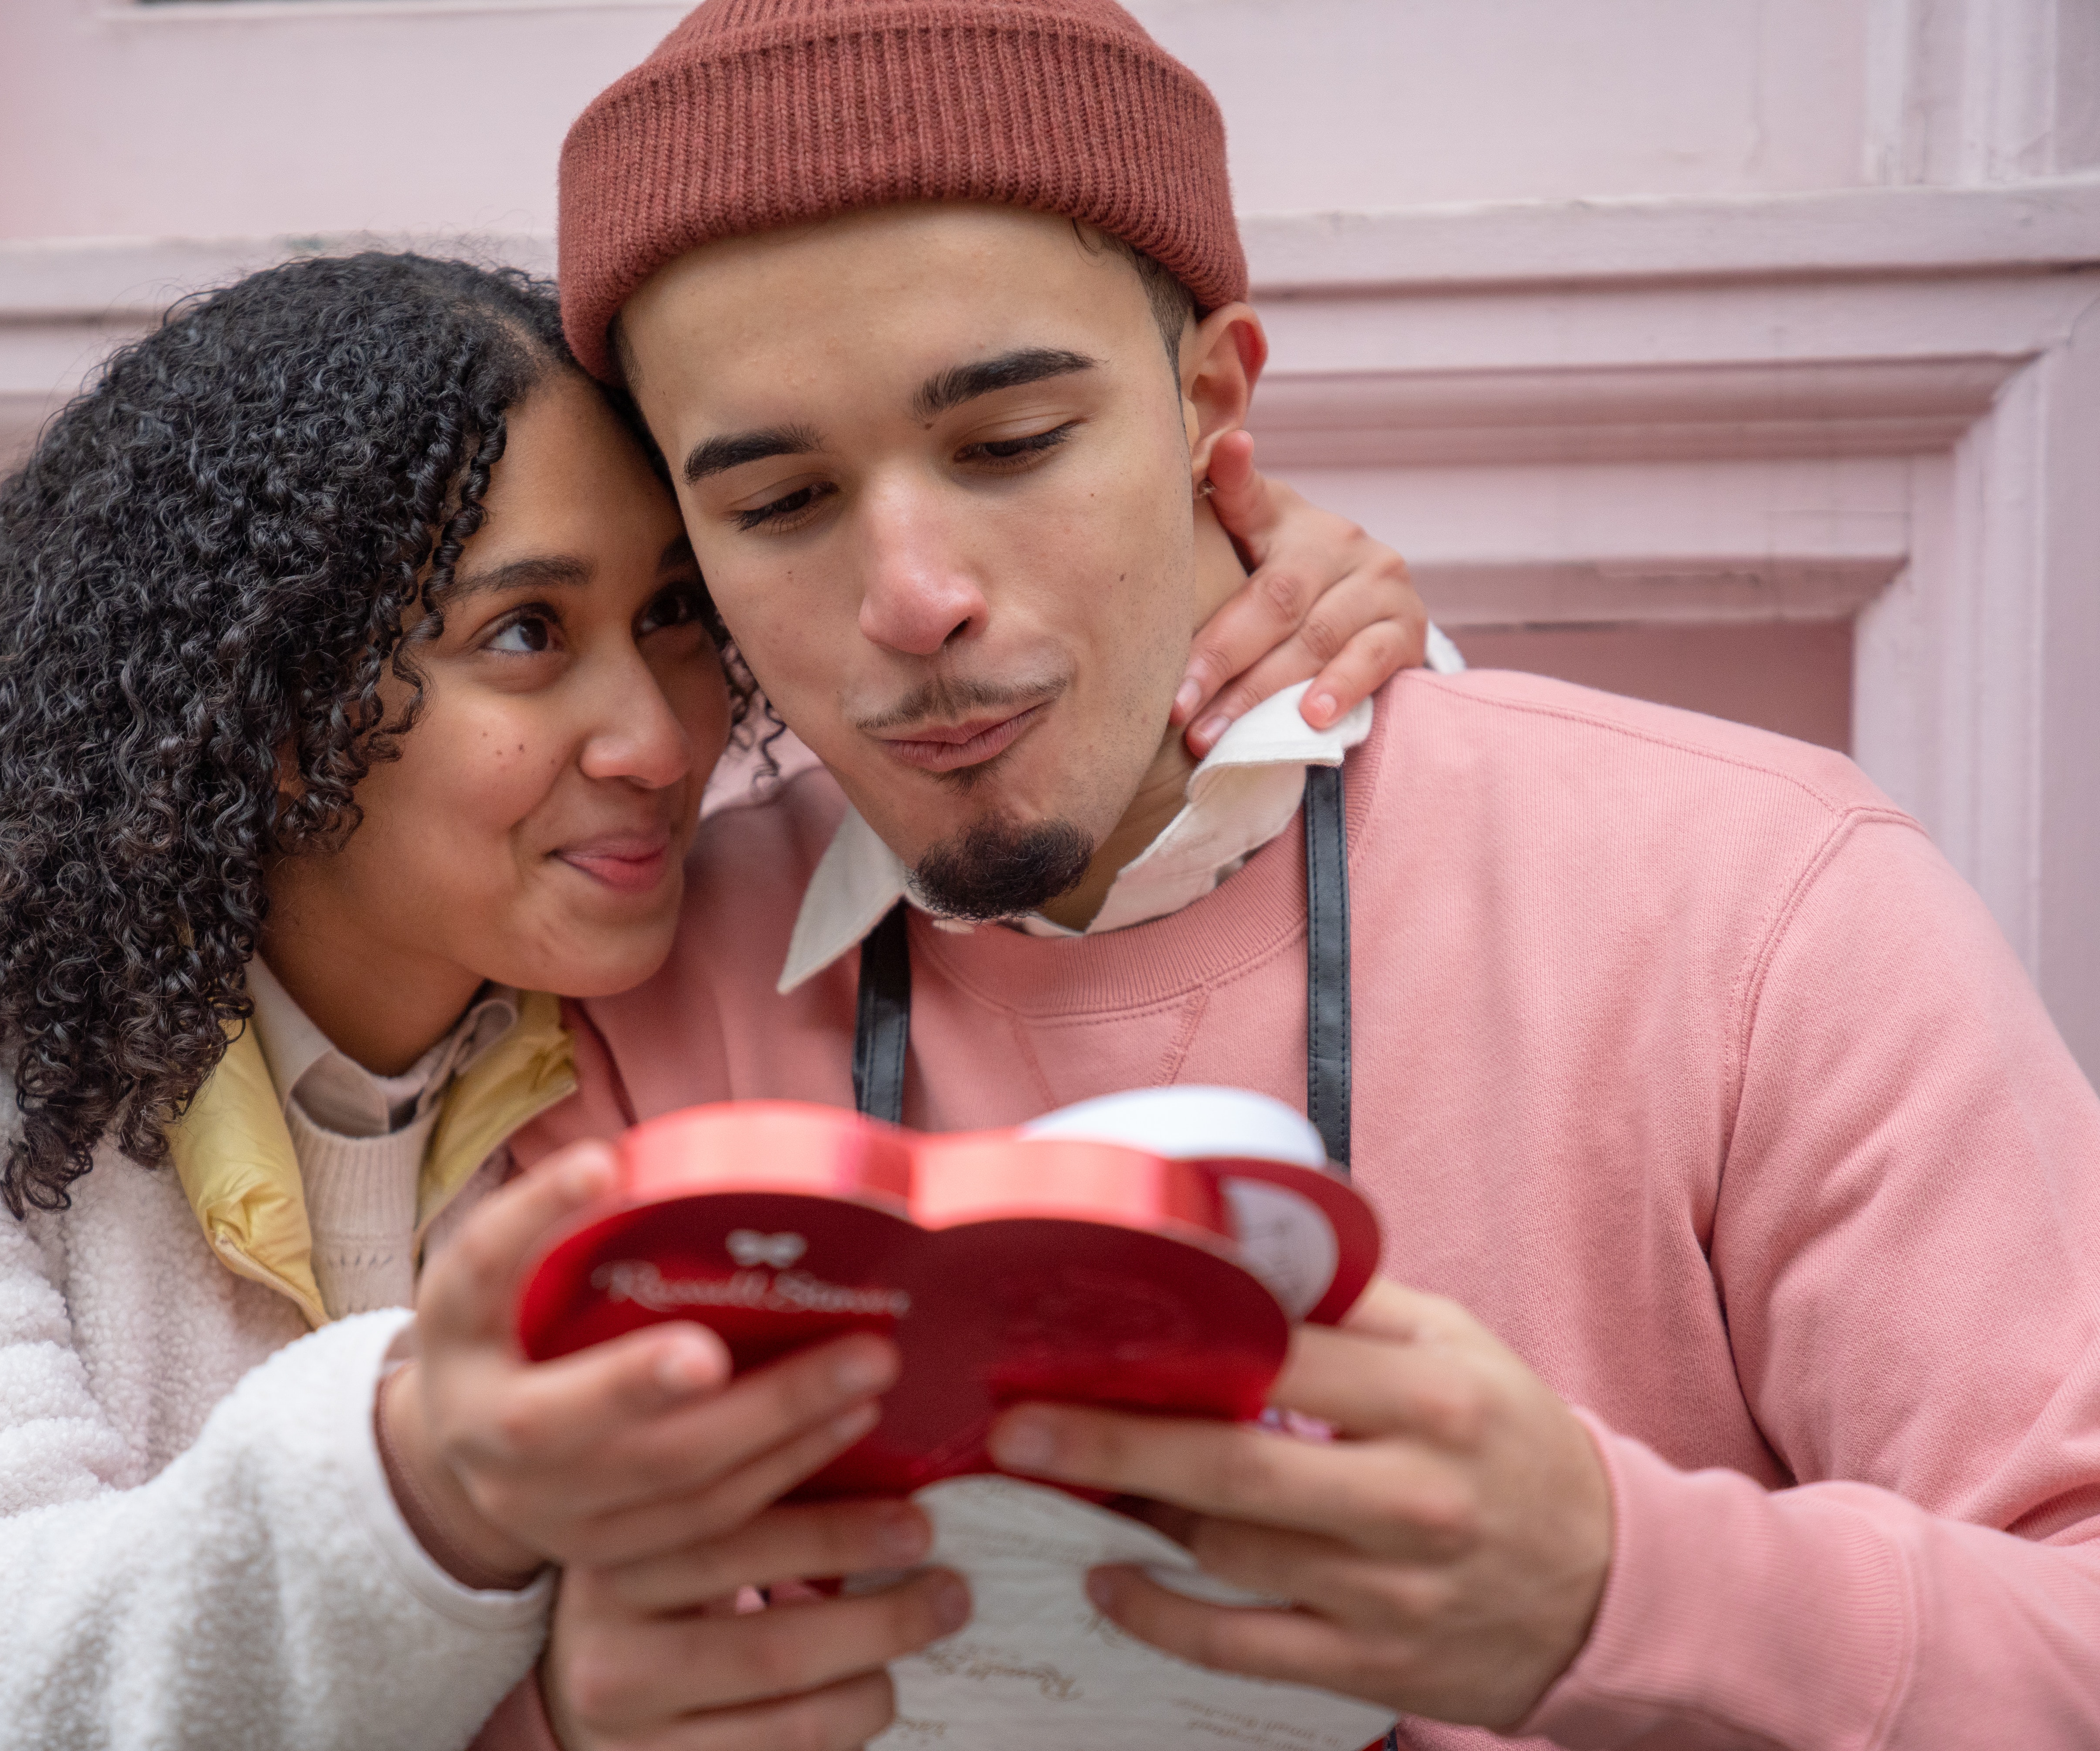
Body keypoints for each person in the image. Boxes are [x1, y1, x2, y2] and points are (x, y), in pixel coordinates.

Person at [419, 1, 2100, 1747]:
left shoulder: (1758, 898)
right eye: (777, 500)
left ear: (1211, 400)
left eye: (1008, 446)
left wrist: (1615, 1591)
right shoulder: (612, 1018)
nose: (914, 596)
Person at [0, 252, 1434, 1749]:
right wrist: (423, 1471)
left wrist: (1275, 609)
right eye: (522, 635)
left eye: (669, 620)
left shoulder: (647, 984)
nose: (657, 738)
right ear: (258, 705)